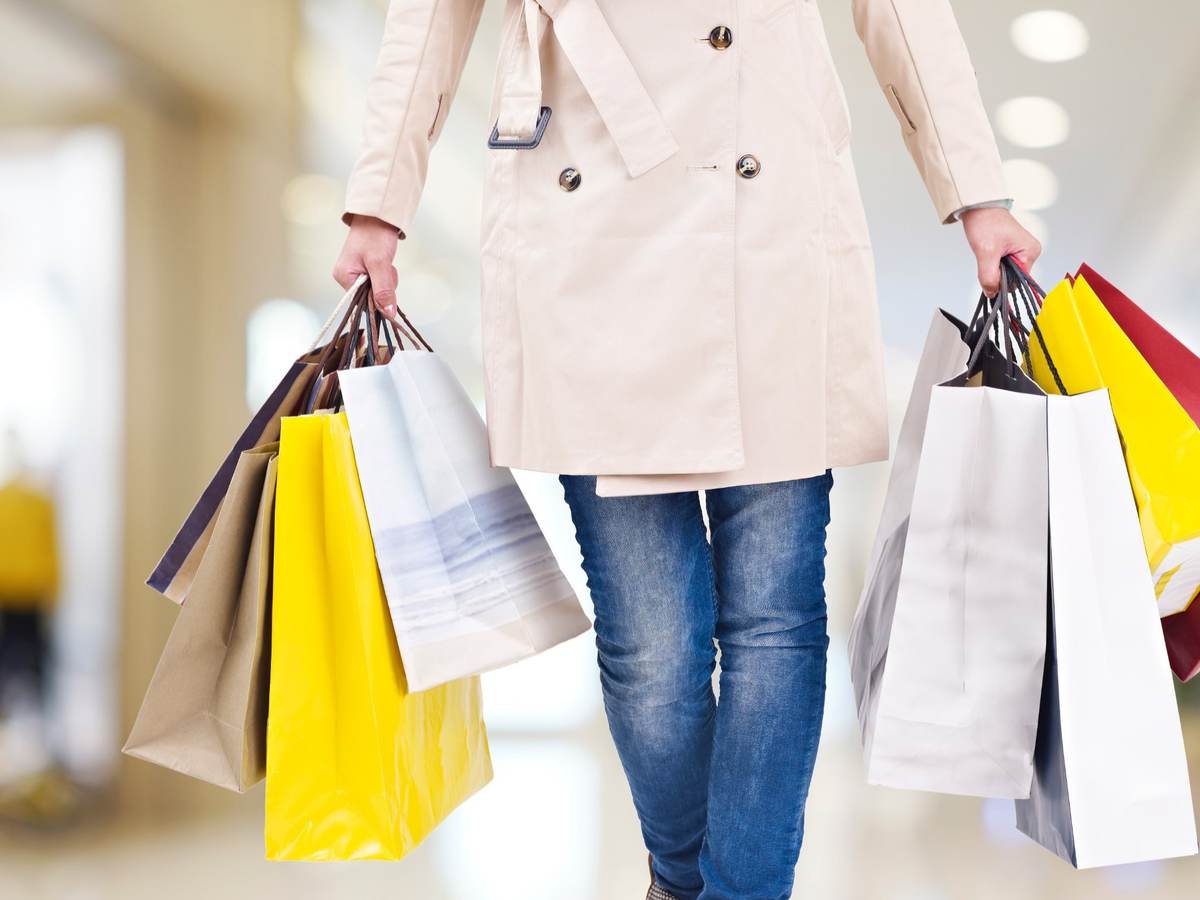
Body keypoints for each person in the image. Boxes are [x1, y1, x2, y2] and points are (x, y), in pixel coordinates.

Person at [333, 2, 1039, 898]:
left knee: (776, 622)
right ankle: (679, 877)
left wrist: (977, 189)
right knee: (653, 646)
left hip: (768, 223)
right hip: (584, 215)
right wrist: (380, 205)